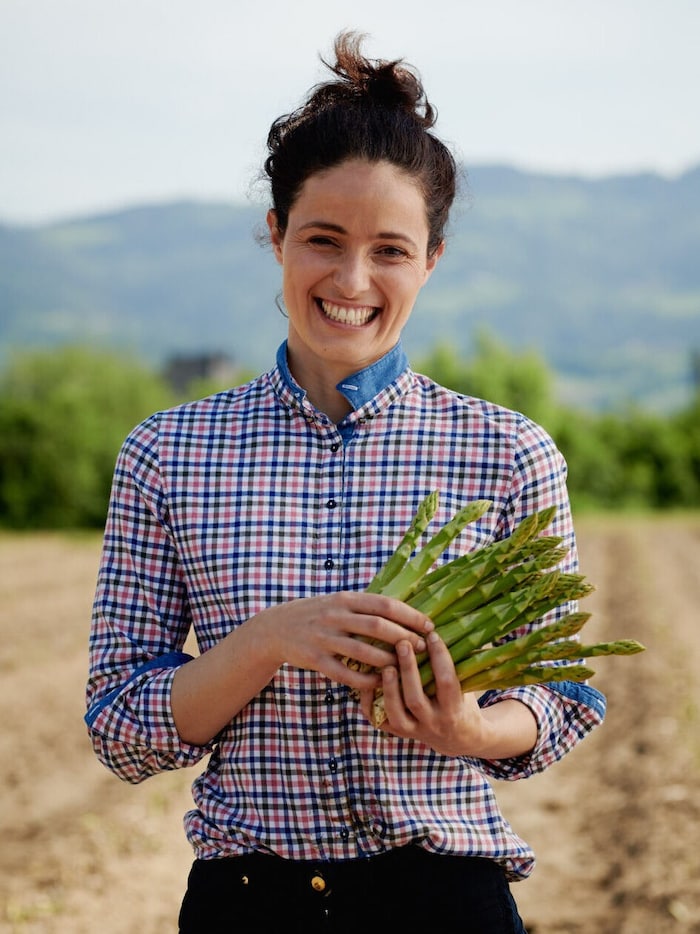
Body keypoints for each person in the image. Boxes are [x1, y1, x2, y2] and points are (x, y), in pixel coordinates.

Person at [85, 32, 605, 933]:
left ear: (431, 260)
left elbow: (562, 696)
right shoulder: (167, 452)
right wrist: (268, 641)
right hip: (247, 906)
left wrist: (469, 732)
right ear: (277, 236)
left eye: (391, 250)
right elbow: (121, 723)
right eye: (322, 239)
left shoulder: (509, 452)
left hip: (448, 903)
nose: (353, 280)